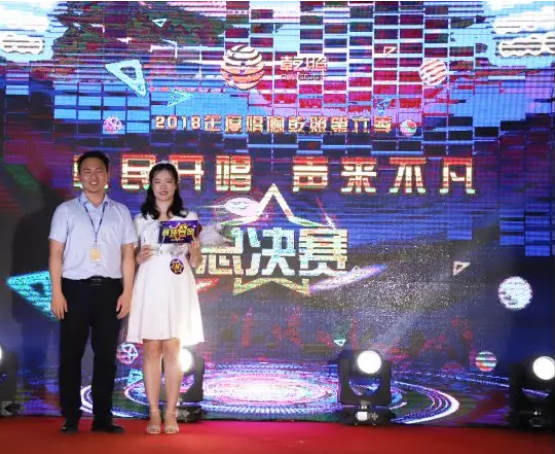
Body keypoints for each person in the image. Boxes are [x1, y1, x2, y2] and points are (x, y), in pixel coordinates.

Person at [48, 151, 136, 434]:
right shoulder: (66, 211)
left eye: (99, 171)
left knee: (106, 357)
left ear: (108, 175)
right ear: (79, 176)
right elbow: (55, 254)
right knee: (70, 355)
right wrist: (57, 292)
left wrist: (128, 292)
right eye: (87, 171)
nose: (93, 177)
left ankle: (102, 418)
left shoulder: (120, 212)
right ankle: (71, 416)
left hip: (110, 290)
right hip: (74, 289)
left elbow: (128, 256)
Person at [126, 162, 204, 435]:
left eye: (168, 181)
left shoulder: (188, 217)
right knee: (151, 350)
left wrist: (195, 249)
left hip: (177, 284)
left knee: (173, 348)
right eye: (157, 181)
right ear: (151, 185)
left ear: (176, 185)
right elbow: (128, 259)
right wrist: (138, 257)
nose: (163, 186)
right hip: (149, 284)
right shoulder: (140, 220)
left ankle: (171, 411)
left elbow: (196, 262)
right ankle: (153, 412)